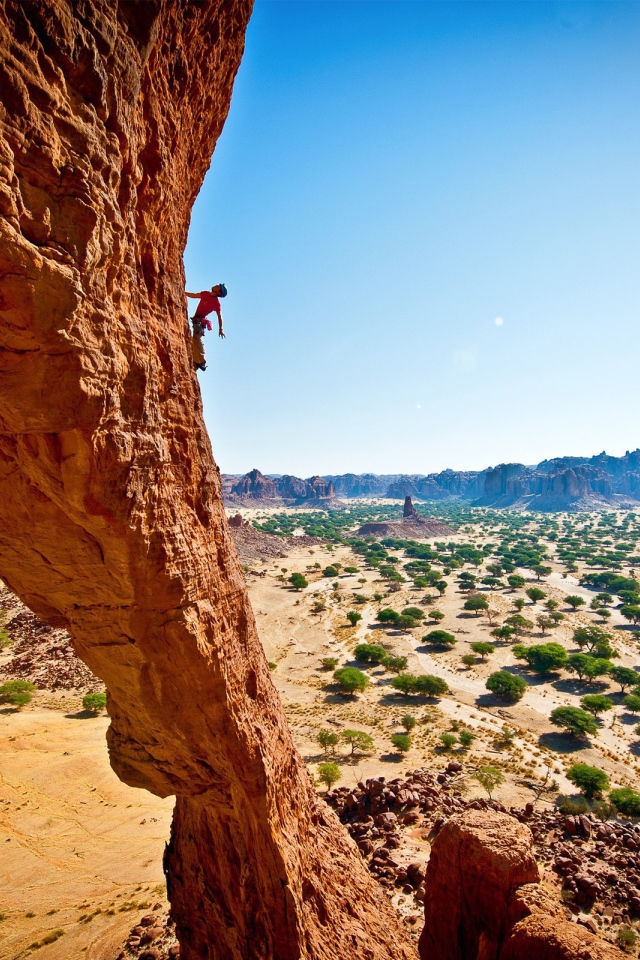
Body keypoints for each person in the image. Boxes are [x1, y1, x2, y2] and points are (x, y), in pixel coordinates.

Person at [185, 283, 227, 371]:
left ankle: (202, 361)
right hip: (197, 320)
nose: (216, 285)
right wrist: (183, 293)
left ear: (219, 292)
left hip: (200, 321)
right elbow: (194, 295)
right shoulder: (206, 293)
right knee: (195, 339)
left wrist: (221, 329)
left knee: (198, 338)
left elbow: (220, 316)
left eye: (218, 286)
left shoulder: (216, 303)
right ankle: (197, 361)